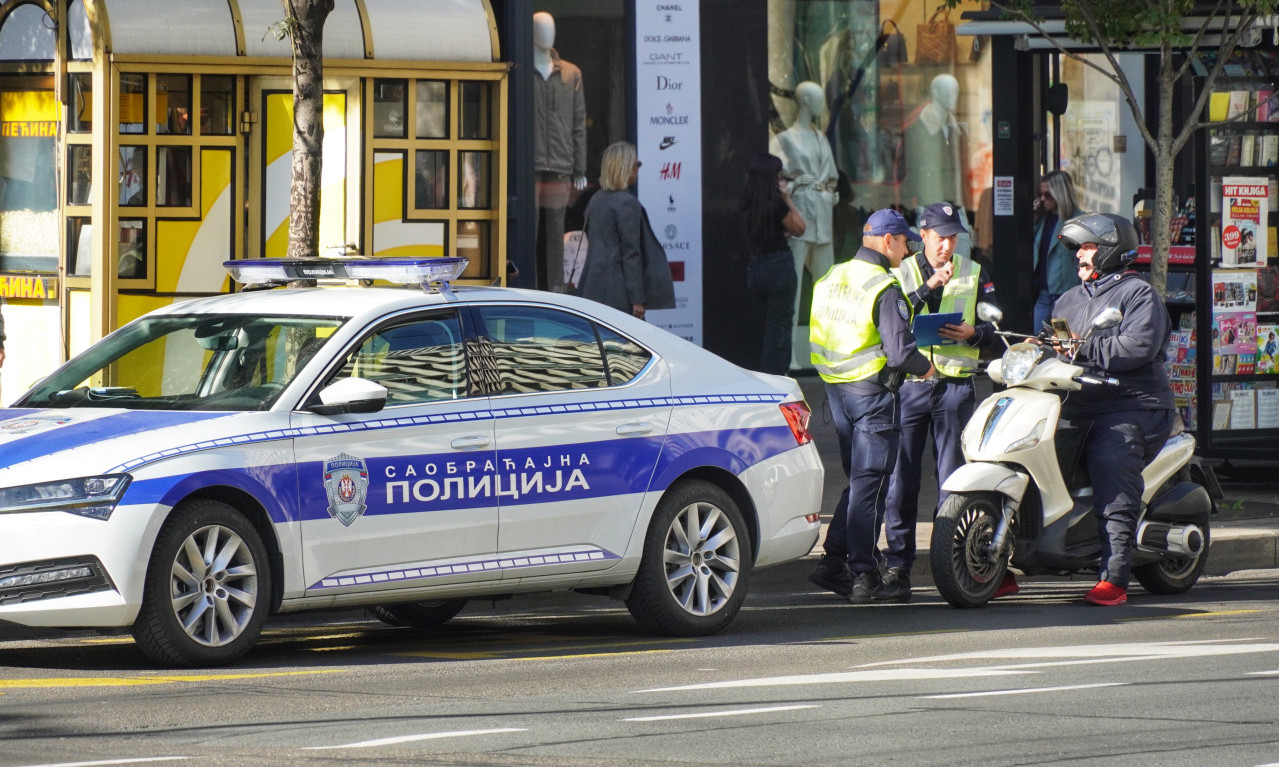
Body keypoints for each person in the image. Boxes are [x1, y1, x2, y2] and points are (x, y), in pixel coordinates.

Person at [1029, 212, 1176, 606]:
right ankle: (1008, 564)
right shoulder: (1069, 298)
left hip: (1130, 406)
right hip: (1077, 403)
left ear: (1111, 251)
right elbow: (1051, 342)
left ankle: (1114, 576)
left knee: (1112, 465)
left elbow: (1137, 347)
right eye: (1078, 248)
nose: (1080, 255)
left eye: (1089, 247)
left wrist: (1081, 348)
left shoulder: (1138, 294)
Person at [808, 208, 935, 603]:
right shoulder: (882, 285)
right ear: (887, 241)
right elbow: (899, 353)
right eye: (904, 241)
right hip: (871, 396)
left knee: (861, 481)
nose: (909, 248)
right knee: (873, 483)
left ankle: (832, 562)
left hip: (836, 392)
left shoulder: (834, 276)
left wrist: (924, 290)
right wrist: (927, 368)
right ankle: (864, 574)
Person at [879, 201, 1001, 602]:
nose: (948, 245)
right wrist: (928, 287)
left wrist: (974, 334)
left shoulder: (974, 271)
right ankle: (898, 566)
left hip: (954, 388)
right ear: (924, 235)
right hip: (910, 386)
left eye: (953, 237)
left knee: (954, 481)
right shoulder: (901, 271)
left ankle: (951, 562)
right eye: (941, 236)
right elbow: (887, 324)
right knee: (902, 481)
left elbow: (995, 330)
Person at [770, 81, 838, 371]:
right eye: (818, 99)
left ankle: (826, 351)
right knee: (794, 288)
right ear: (805, 101)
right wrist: (798, 184)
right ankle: (790, 355)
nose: (822, 105)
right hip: (799, 218)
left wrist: (831, 193)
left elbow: (832, 176)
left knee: (828, 289)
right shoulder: (783, 139)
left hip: (823, 216)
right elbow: (775, 180)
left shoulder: (821, 137)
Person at [576, 141, 675, 319]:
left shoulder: (596, 199)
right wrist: (637, 299)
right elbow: (631, 254)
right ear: (624, 168)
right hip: (619, 296)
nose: (637, 168)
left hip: (593, 288)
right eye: (635, 164)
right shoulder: (626, 203)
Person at [532, 11, 587, 293]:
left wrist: (580, 169)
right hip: (528, 166)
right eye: (541, 28)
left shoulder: (570, 73)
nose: (547, 34)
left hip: (561, 167)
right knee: (529, 231)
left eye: (550, 28)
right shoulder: (521, 70)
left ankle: (554, 290)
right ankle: (527, 286)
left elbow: (579, 123)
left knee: (555, 234)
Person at [740, 153, 806, 375]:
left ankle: (758, 374)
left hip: (755, 268)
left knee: (762, 326)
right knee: (779, 327)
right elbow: (799, 228)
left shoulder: (748, 203)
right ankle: (776, 378)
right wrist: (787, 197)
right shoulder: (776, 204)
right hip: (778, 267)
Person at [1030, 169, 1080, 333]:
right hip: (1044, 293)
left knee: (1063, 340)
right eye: (1041, 194)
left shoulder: (1077, 221)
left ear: (1060, 194)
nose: (1043, 199)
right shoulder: (1042, 219)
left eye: (1048, 195)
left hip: (1065, 295)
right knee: (1039, 341)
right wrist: (1033, 214)